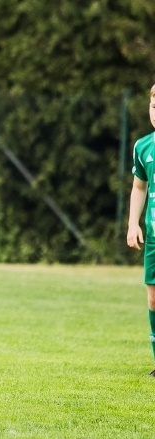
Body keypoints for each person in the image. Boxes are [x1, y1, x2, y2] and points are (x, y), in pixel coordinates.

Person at [126, 83, 155, 377]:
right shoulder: (143, 146)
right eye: (154, 107)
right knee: (153, 299)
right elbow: (139, 187)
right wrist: (133, 223)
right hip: (154, 239)